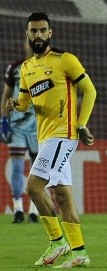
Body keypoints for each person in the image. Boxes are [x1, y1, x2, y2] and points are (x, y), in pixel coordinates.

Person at [5, 12, 96, 268]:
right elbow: (25, 103)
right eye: (33, 31)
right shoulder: (26, 69)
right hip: (45, 137)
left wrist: (81, 123)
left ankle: (57, 241)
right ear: (27, 34)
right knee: (63, 195)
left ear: (50, 33)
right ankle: (79, 251)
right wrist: (16, 105)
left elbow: (90, 90)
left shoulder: (65, 60)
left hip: (63, 134)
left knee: (33, 187)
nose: (38, 35)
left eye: (42, 30)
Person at [1, 38, 39, 224]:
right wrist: (3, 119)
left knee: (37, 169)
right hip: (17, 125)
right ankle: (18, 210)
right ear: (24, 46)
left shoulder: (47, 68)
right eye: (27, 42)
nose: (30, 45)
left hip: (39, 126)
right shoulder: (15, 68)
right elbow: (6, 94)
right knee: (17, 167)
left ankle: (33, 210)